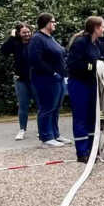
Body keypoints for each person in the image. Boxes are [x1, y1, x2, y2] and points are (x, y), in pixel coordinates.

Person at [66, 16, 104, 163]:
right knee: (81, 117)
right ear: (95, 28)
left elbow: (99, 58)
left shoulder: (97, 43)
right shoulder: (80, 42)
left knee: (92, 117)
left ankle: (92, 148)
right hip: (79, 83)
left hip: (91, 83)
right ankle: (82, 152)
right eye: (102, 26)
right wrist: (94, 66)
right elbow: (73, 63)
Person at [28, 12, 68, 147]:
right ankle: (46, 137)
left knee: (56, 107)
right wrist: (53, 73)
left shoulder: (50, 38)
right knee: (47, 107)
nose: (55, 24)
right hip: (45, 79)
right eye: (53, 21)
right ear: (46, 23)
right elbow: (35, 60)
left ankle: (55, 134)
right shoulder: (37, 39)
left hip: (58, 79)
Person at [0, 22, 34, 140]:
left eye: (28, 32)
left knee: (41, 105)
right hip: (21, 79)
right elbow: (4, 51)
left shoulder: (35, 42)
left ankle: (43, 130)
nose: (27, 34)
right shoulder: (15, 43)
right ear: (19, 33)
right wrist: (12, 36)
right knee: (23, 105)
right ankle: (22, 129)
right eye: (24, 32)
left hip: (35, 78)